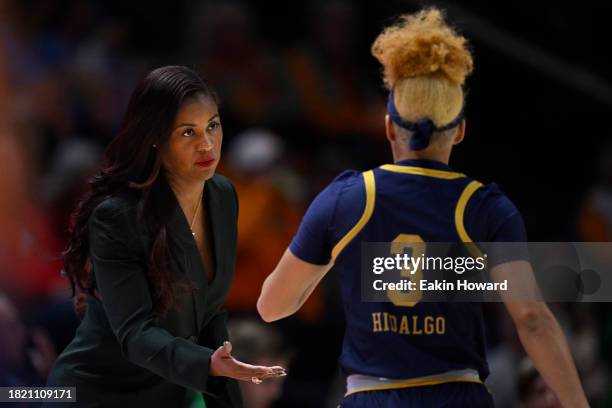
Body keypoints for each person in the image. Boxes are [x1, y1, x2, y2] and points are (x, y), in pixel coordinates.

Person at [257, 8, 588, 407]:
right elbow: (532, 319)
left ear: (388, 126)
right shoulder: (485, 207)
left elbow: (272, 307)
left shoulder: (346, 199)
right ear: (460, 129)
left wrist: (337, 254)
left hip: (373, 397)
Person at [45, 66, 285, 408]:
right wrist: (205, 365)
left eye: (213, 126)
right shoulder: (118, 216)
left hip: (168, 393)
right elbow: (135, 332)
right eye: (188, 132)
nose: (207, 144)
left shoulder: (223, 195)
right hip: (95, 393)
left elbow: (210, 317)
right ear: (156, 137)